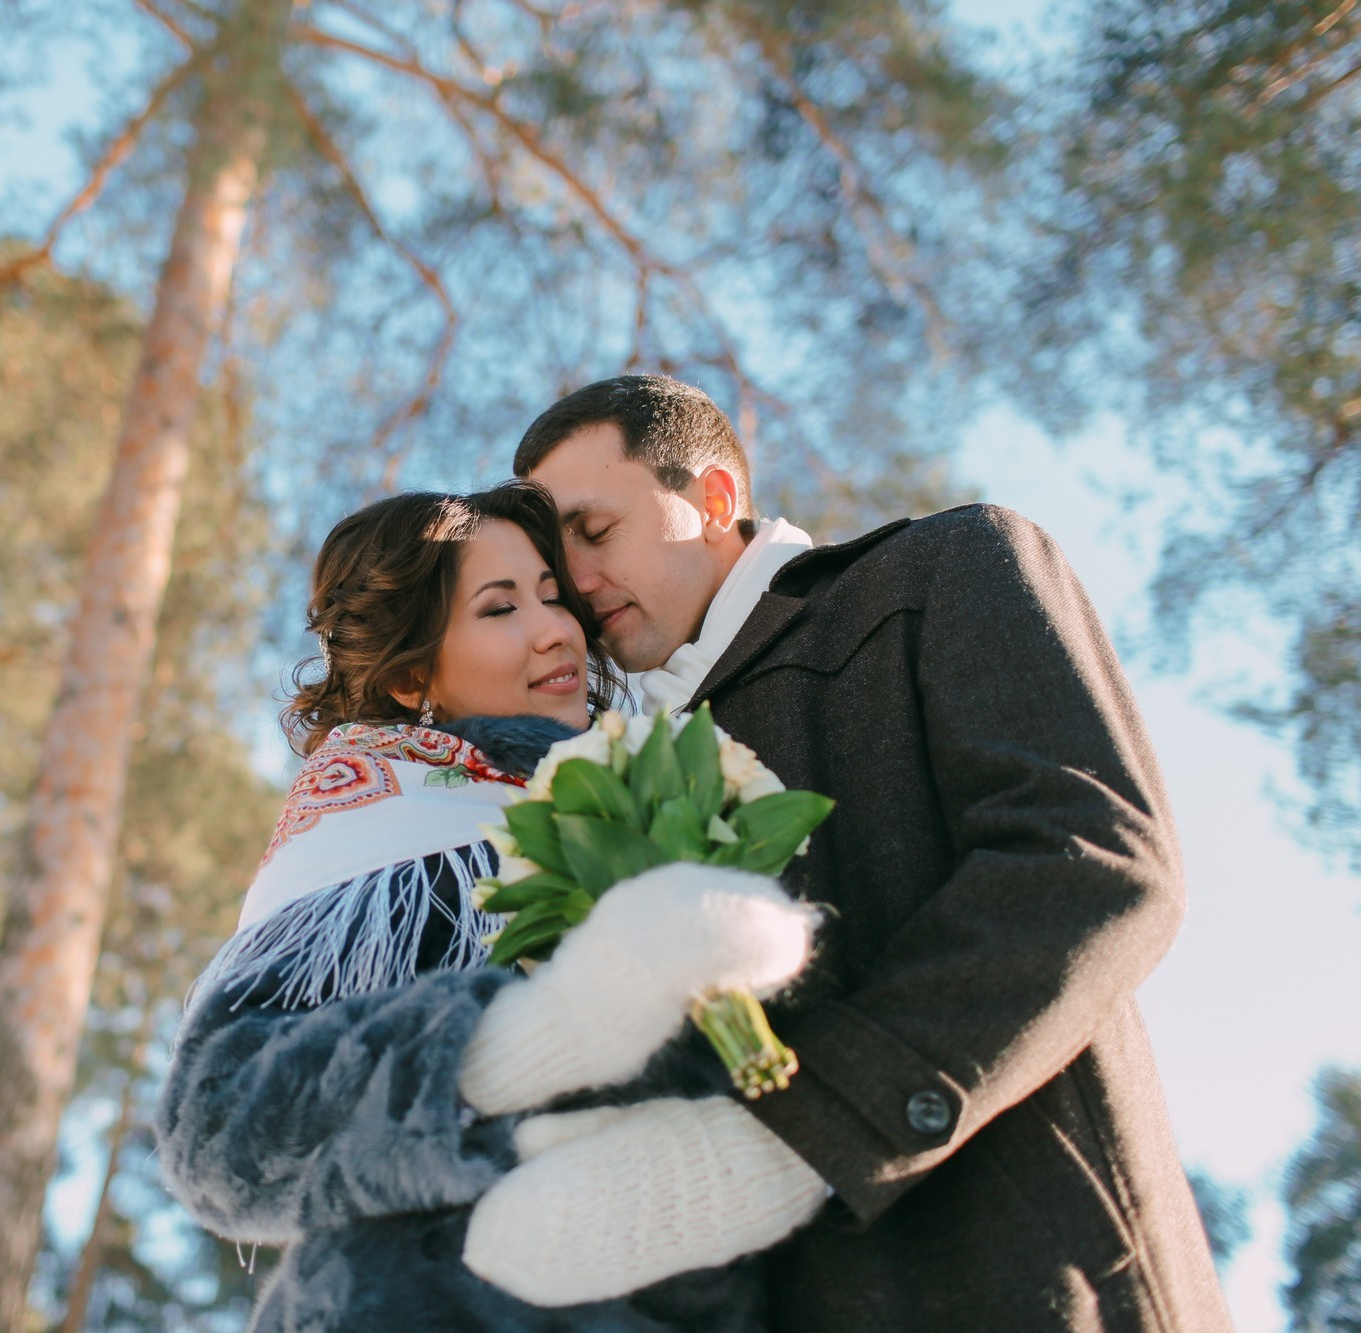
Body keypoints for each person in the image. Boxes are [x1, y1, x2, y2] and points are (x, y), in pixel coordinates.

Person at [471, 373, 1231, 1330]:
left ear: (714, 501)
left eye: (595, 532)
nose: (574, 587)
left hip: (1034, 1284)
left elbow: (1089, 865)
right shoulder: (602, 768)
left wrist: (798, 1137)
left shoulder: (942, 569)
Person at [158, 481, 799, 1332]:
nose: (556, 629)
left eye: (551, 596)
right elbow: (224, 1129)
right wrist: (529, 1037)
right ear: (412, 673)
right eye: (500, 609)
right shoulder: (387, 843)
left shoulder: (662, 786)